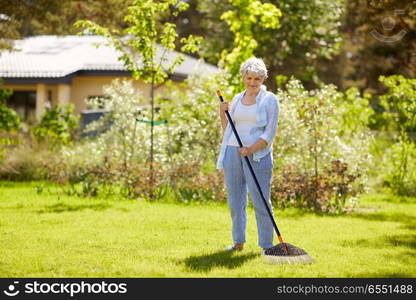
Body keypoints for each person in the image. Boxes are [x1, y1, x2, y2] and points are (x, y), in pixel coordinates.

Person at [217, 57, 280, 252]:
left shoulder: (270, 100)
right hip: (232, 151)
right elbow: (228, 129)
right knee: (235, 201)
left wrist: (251, 149)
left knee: (261, 200)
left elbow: (269, 133)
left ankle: (267, 245)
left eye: (257, 79)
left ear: (263, 79)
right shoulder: (237, 98)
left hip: (257, 155)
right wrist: (222, 112)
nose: (252, 82)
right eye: (249, 78)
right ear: (243, 77)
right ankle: (238, 243)